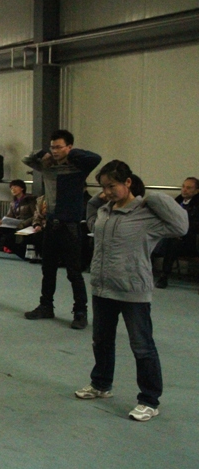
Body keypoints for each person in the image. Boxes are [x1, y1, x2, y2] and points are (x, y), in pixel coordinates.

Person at [76, 160, 187, 422]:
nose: (107, 192)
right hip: (103, 287)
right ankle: (101, 384)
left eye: (112, 186)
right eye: (103, 187)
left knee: (142, 346)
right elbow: (91, 214)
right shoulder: (104, 211)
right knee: (101, 340)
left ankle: (149, 400)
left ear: (128, 182)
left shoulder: (147, 214)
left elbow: (181, 226)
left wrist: (153, 197)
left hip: (132, 290)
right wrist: (100, 198)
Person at [22, 130, 101, 329]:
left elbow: (96, 158)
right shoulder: (47, 166)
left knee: (74, 272)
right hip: (51, 224)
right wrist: (43, 154)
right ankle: (46, 306)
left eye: (59, 147)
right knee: (47, 269)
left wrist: (71, 154)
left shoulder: (79, 167)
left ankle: (80, 312)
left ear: (69, 147)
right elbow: (26, 159)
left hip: (71, 226)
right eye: (53, 147)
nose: (55, 151)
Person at [154, 177, 199, 288]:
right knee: (153, 236)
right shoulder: (177, 201)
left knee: (173, 242)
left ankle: (164, 276)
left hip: (189, 241)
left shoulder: (197, 205)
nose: (184, 190)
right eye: (183, 187)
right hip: (172, 235)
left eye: (189, 188)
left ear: (196, 191)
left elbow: (195, 226)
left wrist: (180, 232)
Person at [0, 179, 37, 259]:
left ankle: (23, 254)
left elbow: (35, 215)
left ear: (22, 188)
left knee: (7, 239)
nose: (13, 190)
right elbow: (9, 215)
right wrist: (3, 221)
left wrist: (24, 223)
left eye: (15, 187)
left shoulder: (30, 200)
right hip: (16, 224)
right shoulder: (13, 202)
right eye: (11, 188)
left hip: (26, 224)